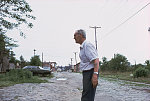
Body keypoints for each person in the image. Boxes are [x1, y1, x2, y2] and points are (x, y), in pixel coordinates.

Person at [74, 29, 100, 101]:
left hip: (90, 72)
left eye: (75, 35)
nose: (74, 38)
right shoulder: (83, 46)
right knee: (86, 94)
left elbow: (96, 60)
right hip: (87, 72)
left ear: (81, 35)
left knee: (87, 96)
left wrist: (95, 75)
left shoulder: (87, 45)